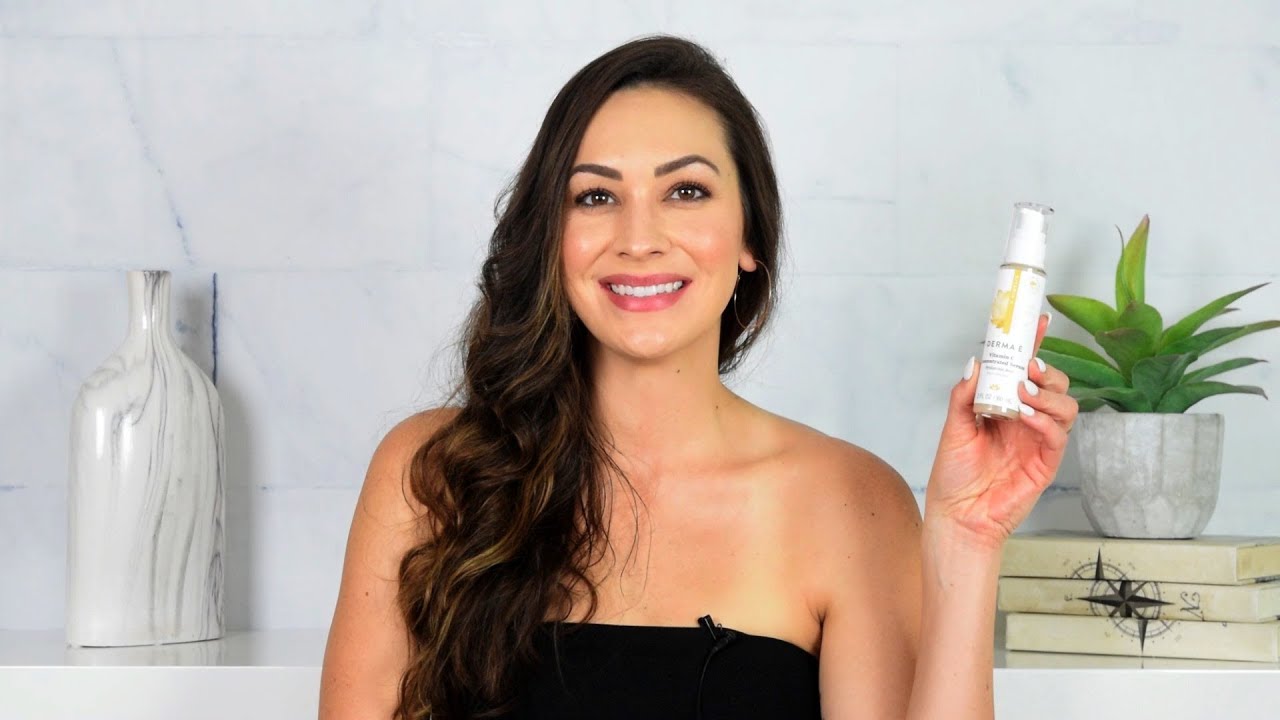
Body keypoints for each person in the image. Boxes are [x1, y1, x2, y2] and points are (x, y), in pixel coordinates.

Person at [318, 34, 1077, 720]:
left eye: (686, 191)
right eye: (595, 197)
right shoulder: (433, 474)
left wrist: (969, 539)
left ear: (749, 235)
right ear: (552, 237)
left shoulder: (852, 502)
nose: (639, 238)